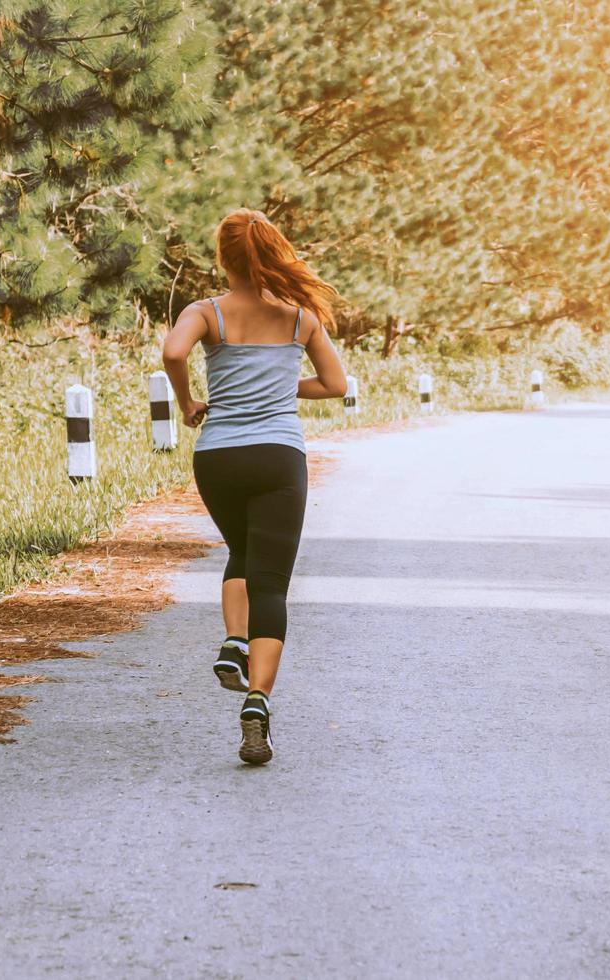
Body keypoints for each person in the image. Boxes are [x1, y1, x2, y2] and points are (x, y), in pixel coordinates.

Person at [162, 209, 347, 765]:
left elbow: (174, 352)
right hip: (277, 456)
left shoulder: (206, 312)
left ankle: (232, 642)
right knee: (270, 582)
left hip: (218, 456)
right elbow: (336, 385)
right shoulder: (299, 317)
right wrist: (280, 383)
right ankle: (257, 702)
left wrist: (188, 401)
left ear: (223, 257)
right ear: (275, 251)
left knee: (240, 550)